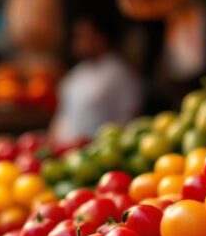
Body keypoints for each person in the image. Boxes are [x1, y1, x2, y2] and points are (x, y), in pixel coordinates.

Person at [50, 14, 143, 145]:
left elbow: (131, 118)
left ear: (101, 38)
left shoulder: (119, 74)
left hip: (98, 153)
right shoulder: (76, 74)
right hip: (66, 152)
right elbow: (63, 115)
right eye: (77, 37)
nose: (79, 43)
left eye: (84, 37)